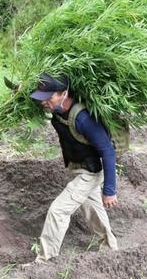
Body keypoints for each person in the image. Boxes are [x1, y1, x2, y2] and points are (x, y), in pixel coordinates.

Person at [27, 73, 118, 265]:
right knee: (93, 210)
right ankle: (112, 251)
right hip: (78, 169)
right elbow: (37, 95)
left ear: (64, 93)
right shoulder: (57, 106)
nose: (43, 103)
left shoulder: (84, 119)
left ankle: (44, 262)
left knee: (58, 211)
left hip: (90, 172)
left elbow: (108, 151)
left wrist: (110, 190)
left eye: (48, 98)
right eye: (41, 98)